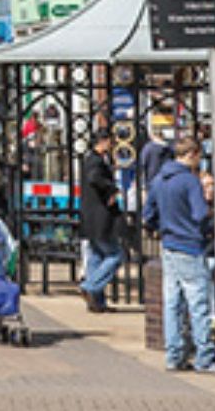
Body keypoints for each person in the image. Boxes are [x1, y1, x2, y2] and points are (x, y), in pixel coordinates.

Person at [142, 136, 215, 373]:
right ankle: (204, 357)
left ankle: (173, 356)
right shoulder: (190, 181)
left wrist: (162, 228)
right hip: (190, 246)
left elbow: (148, 215)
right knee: (198, 304)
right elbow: (199, 215)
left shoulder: (158, 181)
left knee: (172, 303)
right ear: (193, 154)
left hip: (169, 246)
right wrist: (205, 229)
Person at [79, 130, 125, 313]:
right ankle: (90, 286)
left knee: (96, 258)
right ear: (103, 142)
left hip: (90, 220)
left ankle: (97, 302)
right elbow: (94, 178)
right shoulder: (95, 161)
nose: (112, 145)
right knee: (116, 255)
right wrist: (111, 188)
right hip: (100, 219)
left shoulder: (92, 159)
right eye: (110, 142)